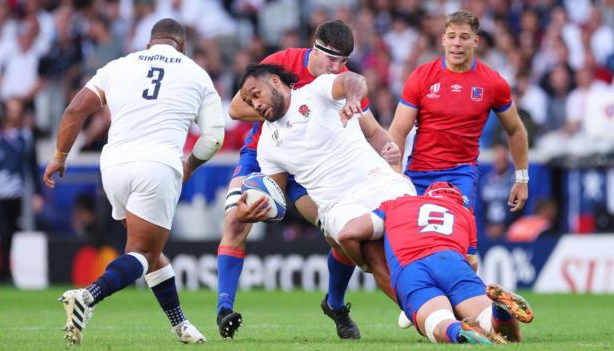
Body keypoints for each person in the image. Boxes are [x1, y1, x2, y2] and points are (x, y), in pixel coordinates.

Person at [42, 18, 225, 346]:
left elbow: (74, 111)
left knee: (150, 253)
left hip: (112, 167)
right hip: (157, 165)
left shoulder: (119, 65)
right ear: (182, 47)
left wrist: (59, 156)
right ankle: (87, 296)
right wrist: (190, 166)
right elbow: (213, 138)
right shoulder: (196, 72)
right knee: (142, 251)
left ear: (148, 45)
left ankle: (181, 325)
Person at [217, 19, 401, 340]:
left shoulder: (340, 84)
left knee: (339, 234)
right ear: (314, 47)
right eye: (330, 59)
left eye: (342, 61)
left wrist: (391, 154)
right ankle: (223, 309)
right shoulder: (284, 62)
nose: (336, 67)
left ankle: (335, 303)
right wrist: (284, 106)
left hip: (309, 165)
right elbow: (235, 108)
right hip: (264, 152)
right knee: (235, 218)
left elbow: (369, 125)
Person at [337, 182, 534, 344]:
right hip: (452, 263)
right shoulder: (464, 213)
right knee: (504, 335)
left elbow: (347, 235)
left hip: (412, 269)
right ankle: (499, 311)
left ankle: (458, 332)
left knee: (438, 322)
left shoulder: (396, 204)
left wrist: (365, 266)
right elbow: (471, 263)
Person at [388, 10, 529, 212]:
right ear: (443, 40)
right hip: (418, 173)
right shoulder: (421, 76)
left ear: (476, 41)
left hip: (460, 175)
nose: (457, 43)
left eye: (464, 37)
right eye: (452, 37)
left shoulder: (492, 83)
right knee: (410, 238)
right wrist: (395, 173)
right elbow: (398, 130)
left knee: (455, 233)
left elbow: (516, 129)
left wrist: (522, 178)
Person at [0, 98, 44, 284]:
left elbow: (32, 166)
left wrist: (38, 193)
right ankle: (3, 271)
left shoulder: (25, 136)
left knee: (12, 232)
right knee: (3, 231)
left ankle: (5, 271)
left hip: (16, 192)